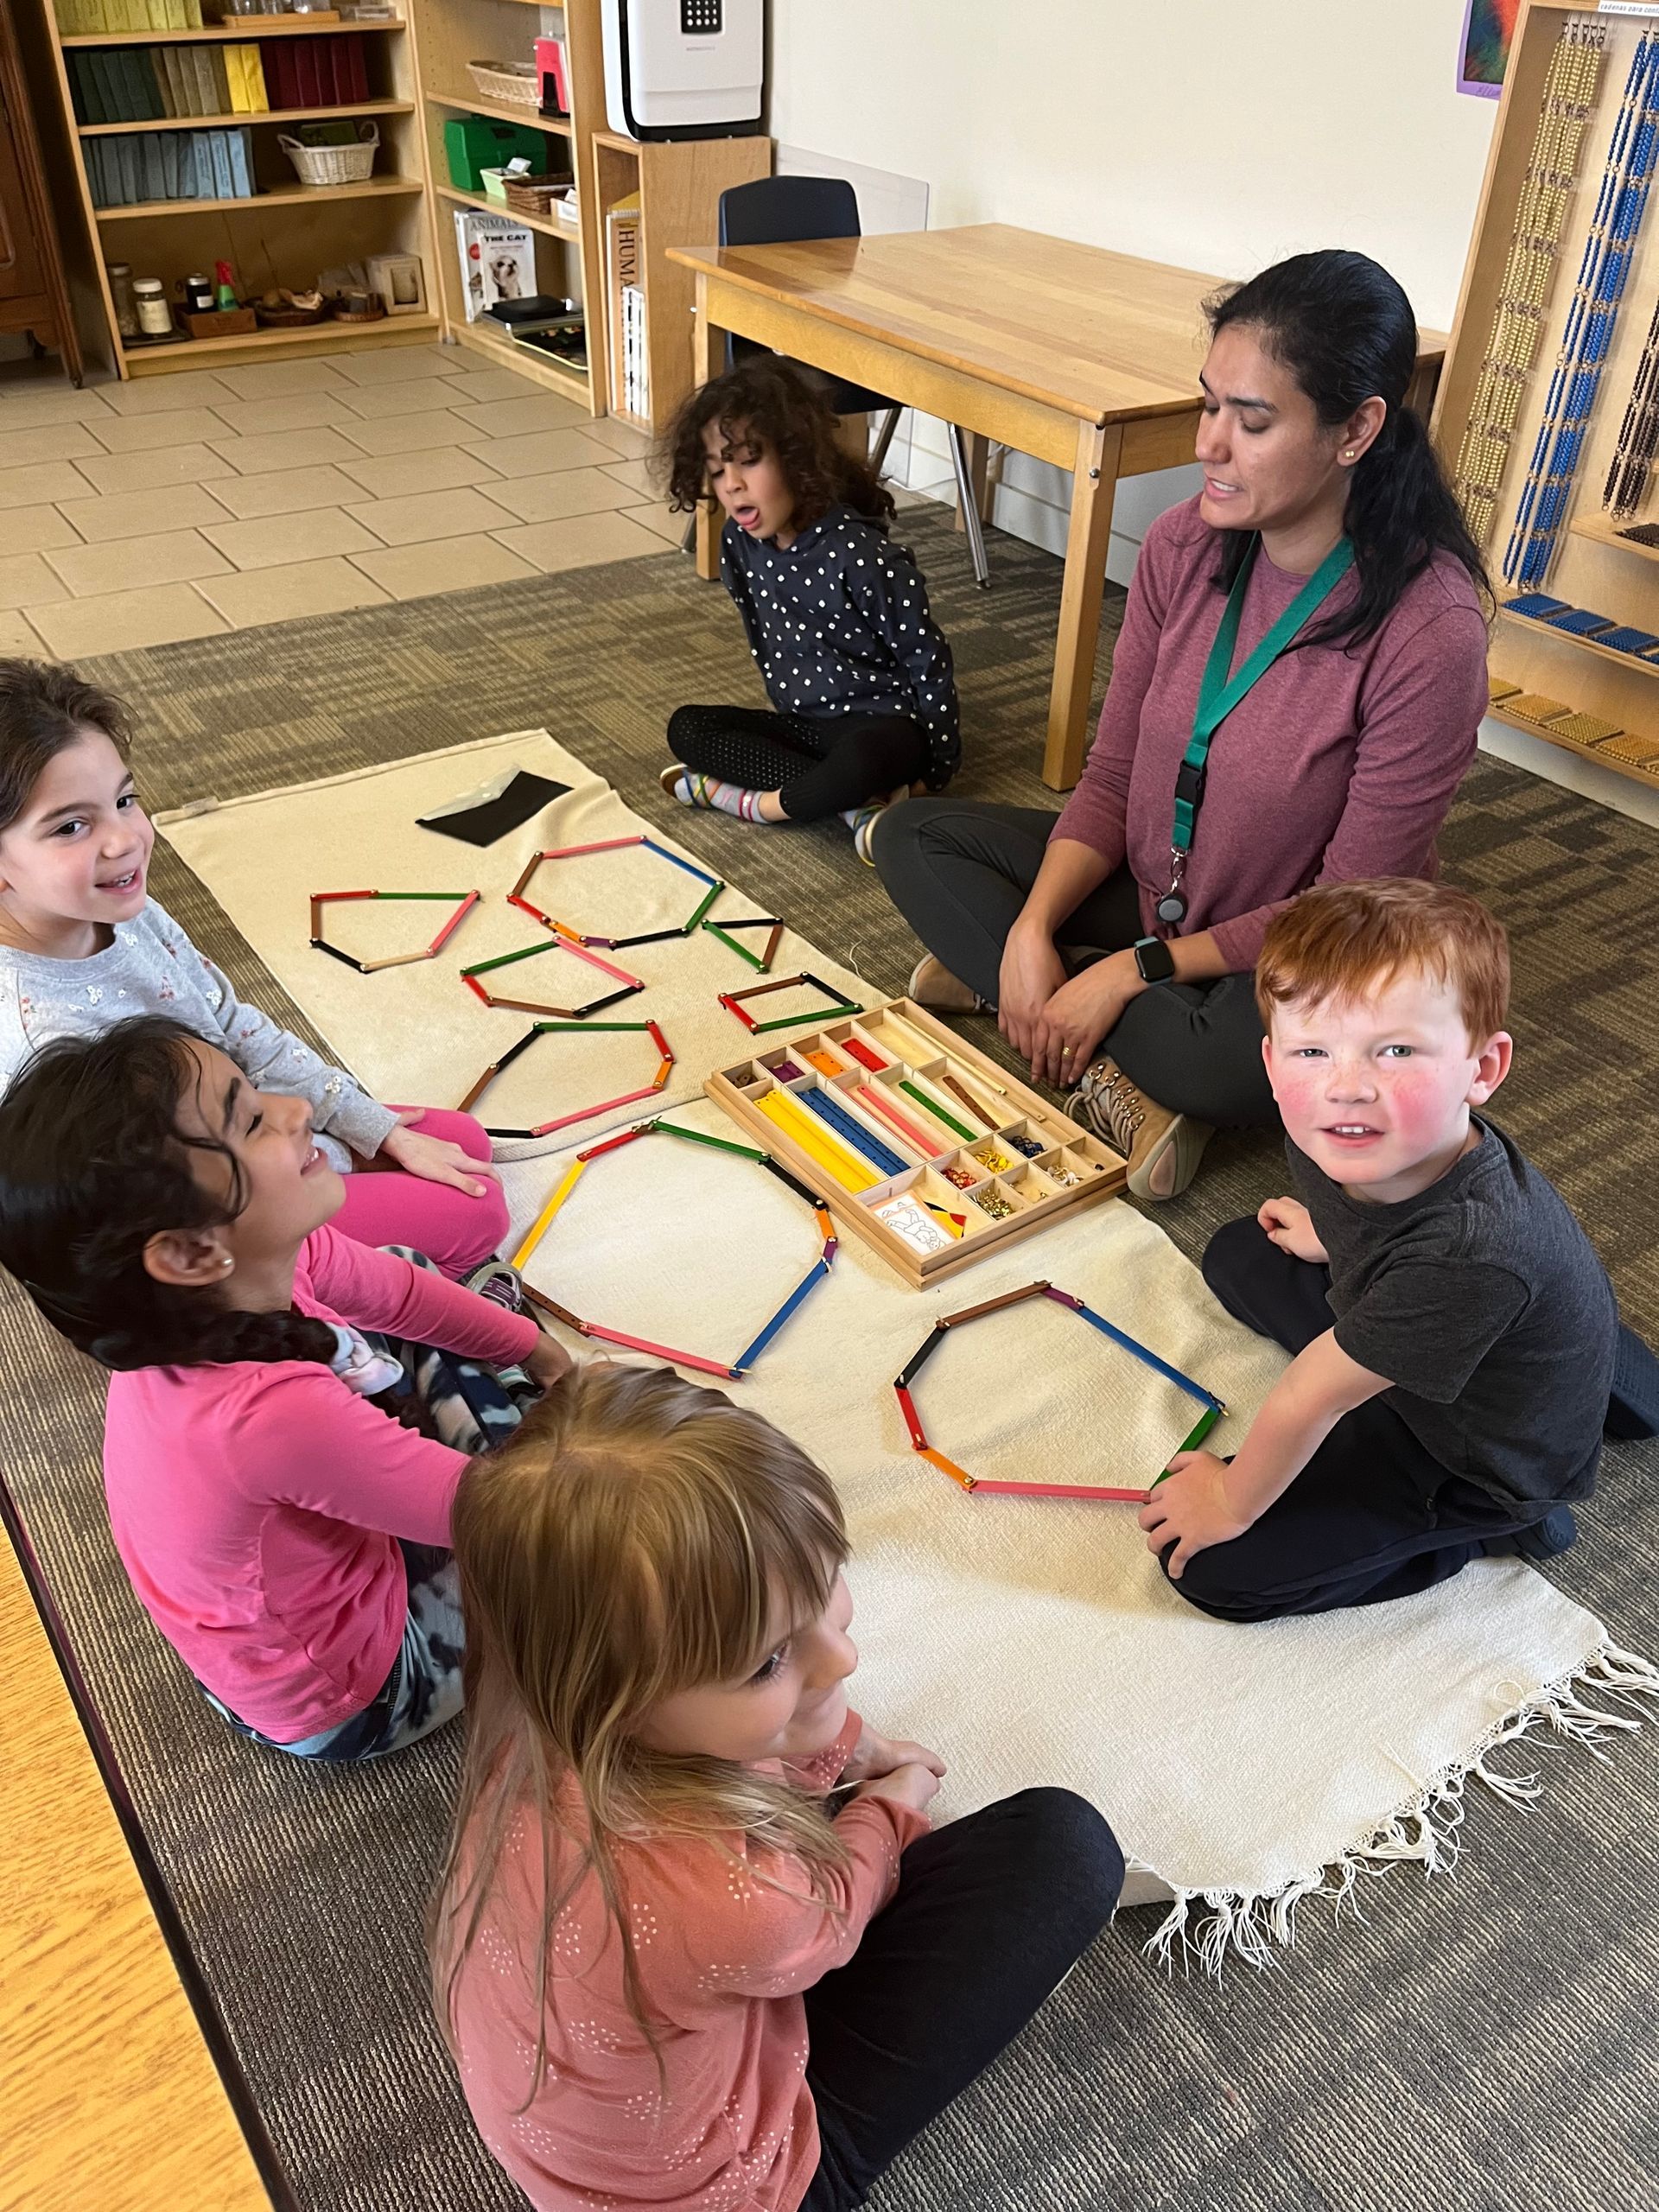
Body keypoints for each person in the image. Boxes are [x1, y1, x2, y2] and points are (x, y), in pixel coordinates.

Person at [873, 249, 1491, 1199]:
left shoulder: (1429, 631)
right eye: (1209, 405)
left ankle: (1045, 1002)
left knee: (1238, 1065)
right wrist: (1037, 922)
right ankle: (1056, 997)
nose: (1209, 444)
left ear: (1356, 430)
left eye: (1251, 421)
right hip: (1162, 885)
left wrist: (1127, 970)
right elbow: (1115, 773)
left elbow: (1341, 909)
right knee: (916, 835)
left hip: (1306, 945)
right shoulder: (1180, 545)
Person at [431, 1362, 1122, 2212]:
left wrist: (843, 1736)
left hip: (610, 2119)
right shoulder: (740, 1899)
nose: (845, 1659)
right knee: (1065, 1851)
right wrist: (889, 1804)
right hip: (743, 2187)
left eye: (828, 1579)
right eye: (767, 1659)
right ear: (622, 1701)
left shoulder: (535, 1731)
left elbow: (768, 1729)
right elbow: (827, 1912)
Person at [0, 1017, 571, 1760]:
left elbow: (395, 1290)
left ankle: (489, 1390)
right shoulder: (272, 1418)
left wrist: (538, 1348)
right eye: (251, 1121)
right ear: (189, 1251)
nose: (296, 1110)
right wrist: (573, 1418)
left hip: (280, 1620)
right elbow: (497, 1515)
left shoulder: (222, 1284)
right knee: (570, 1505)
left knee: (400, 1266)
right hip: (359, 1694)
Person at [1140, 879, 1658, 1624]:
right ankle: (1580, 1344)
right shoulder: (1333, 1126)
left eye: (1396, 1051)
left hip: (1471, 1456)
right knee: (1238, 1251)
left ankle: (1494, 1525)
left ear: (1481, 1070)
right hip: (1445, 1311)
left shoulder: (1473, 1250)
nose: (1346, 1087)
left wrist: (1227, 1495)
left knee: (1217, 1569)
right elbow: (1369, 1223)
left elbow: (1310, 1394)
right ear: (1272, 1057)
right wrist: (1334, 1237)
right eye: (1312, 1049)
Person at [0, 658, 509, 1280]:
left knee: (464, 1143)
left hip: (246, 1128)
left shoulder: (121, 906)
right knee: (478, 1215)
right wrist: (317, 1162)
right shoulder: (47, 1040)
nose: (125, 839)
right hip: (219, 1213)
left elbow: (230, 1023)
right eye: (72, 826)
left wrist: (366, 1127)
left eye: (125, 800)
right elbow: (182, 1213)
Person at [658, 356, 959, 864]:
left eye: (749, 460)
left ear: (797, 459)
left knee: (860, 759)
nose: (731, 483)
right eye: (717, 469)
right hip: (808, 727)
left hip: (883, 728)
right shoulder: (738, 543)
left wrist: (938, 767)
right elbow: (763, 637)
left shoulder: (864, 556)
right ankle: (854, 810)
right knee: (686, 727)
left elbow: (927, 661)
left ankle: (752, 804)